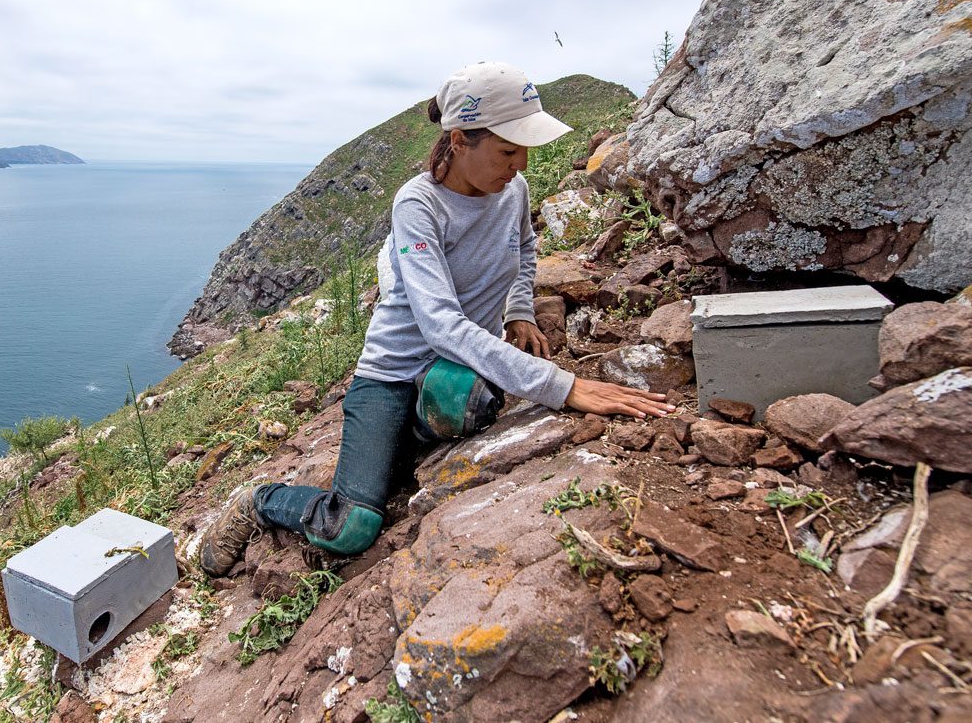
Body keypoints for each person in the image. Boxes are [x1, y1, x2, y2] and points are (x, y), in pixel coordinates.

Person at [200, 61, 673, 576]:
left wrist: (517, 310)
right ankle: (260, 501)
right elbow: (440, 325)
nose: (522, 165)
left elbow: (524, 247)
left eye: (525, 149)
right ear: (459, 140)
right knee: (351, 526)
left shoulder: (512, 190)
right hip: (391, 374)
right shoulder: (419, 204)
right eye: (508, 150)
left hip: (452, 370)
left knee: (470, 401)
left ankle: (387, 456)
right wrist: (562, 386)